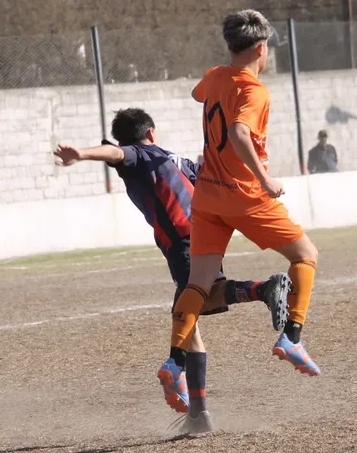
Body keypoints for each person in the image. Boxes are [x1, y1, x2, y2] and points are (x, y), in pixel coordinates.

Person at [53, 109, 292, 419]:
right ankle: (198, 413)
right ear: (152, 132)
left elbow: (115, 152)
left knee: (198, 304)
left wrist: (82, 153)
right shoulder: (173, 158)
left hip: (182, 240)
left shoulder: (137, 155)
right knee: (187, 316)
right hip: (204, 235)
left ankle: (263, 290)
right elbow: (211, 177)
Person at [159, 10, 321, 433]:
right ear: (262, 49)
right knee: (305, 255)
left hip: (207, 195)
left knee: (198, 284)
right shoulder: (256, 91)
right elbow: (238, 133)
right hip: (245, 196)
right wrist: (265, 177)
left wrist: (219, 84)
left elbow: (200, 94)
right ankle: (293, 337)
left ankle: (174, 360)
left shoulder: (215, 76)